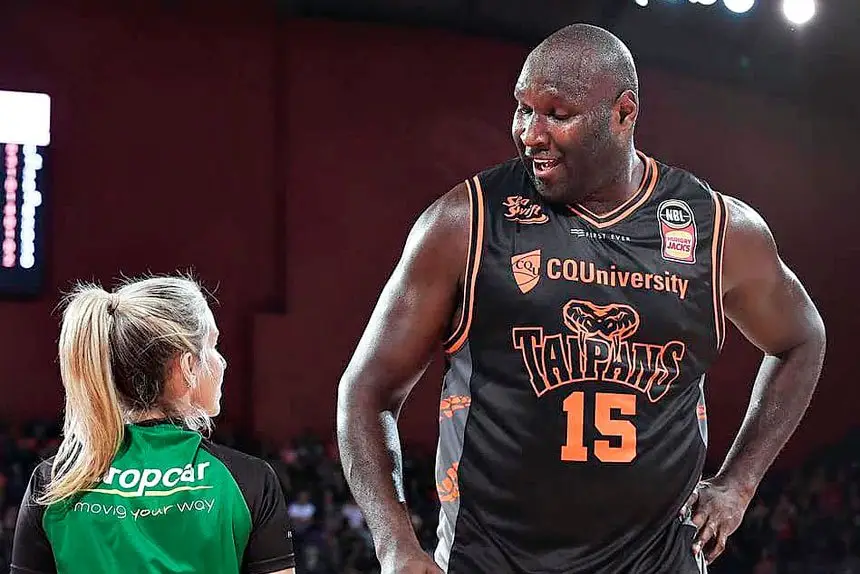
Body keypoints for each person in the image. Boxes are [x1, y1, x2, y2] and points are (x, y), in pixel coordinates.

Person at [336, 23, 826, 574]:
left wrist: (738, 483)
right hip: (495, 561)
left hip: (658, 562)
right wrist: (395, 543)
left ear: (623, 113)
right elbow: (365, 390)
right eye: (522, 109)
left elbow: (801, 339)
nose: (529, 134)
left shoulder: (717, 229)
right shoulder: (464, 222)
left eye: (557, 115)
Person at [11, 275, 296, 574]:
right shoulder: (249, 481)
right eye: (213, 345)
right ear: (187, 366)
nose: (221, 362)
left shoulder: (54, 484)